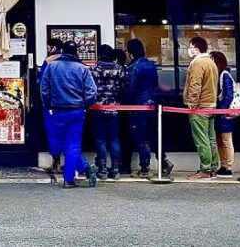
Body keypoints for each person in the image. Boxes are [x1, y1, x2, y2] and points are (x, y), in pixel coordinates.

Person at [40, 41, 99, 188]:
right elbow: (92, 92)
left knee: (58, 143)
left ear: (62, 51)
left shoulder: (52, 67)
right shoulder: (82, 69)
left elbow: (44, 89)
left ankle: (84, 168)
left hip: (57, 110)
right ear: (76, 52)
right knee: (72, 145)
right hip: (76, 110)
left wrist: (48, 104)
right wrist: (85, 104)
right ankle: (70, 178)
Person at [122, 38, 173, 178]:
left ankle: (144, 168)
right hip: (152, 105)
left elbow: (131, 89)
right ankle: (164, 162)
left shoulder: (133, 67)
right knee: (154, 136)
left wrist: (124, 102)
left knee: (141, 137)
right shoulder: (150, 65)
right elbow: (155, 84)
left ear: (130, 52)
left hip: (138, 106)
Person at [183, 37, 219, 180]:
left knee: (201, 139)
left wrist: (192, 104)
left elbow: (195, 86)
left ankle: (205, 169)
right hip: (211, 105)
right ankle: (213, 167)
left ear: (196, 48)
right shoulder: (211, 62)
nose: (188, 50)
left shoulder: (198, 64)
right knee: (211, 138)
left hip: (199, 107)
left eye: (190, 47)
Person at [89, 44, 125, 179]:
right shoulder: (120, 69)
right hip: (115, 108)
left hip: (98, 108)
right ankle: (115, 169)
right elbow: (123, 87)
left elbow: (90, 88)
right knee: (115, 140)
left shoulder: (94, 69)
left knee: (100, 140)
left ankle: (102, 169)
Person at [40, 37, 66, 177]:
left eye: (49, 47)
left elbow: (43, 84)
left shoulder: (48, 62)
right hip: (70, 104)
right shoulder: (71, 61)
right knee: (69, 135)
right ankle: (70, 164)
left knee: (53, 132)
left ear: (53, 47)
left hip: (52, 104)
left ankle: (56, 162)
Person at [210, 50, 237, 178]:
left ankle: (229, 166)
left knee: (226, 140)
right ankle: (223, 164)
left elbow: (229, 95)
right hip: (219, 113)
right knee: (219, 140)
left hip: (224, 114)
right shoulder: (217, 75)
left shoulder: (224, 75)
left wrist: (223, 110)